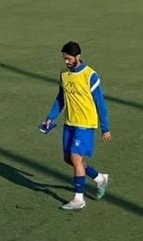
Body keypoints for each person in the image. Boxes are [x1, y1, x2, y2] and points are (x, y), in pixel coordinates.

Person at [39, 41, 111, 211]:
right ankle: (100, 178)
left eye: (69, 58)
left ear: (78, 56)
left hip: (86, 123)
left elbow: (100, 103)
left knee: (76, 157)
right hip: (69, 122)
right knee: (68, 159)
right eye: (64, 58)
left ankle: (79, 198)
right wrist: (50, 118)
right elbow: (60, 99)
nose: (66, 61)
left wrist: (105, 127)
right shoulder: (64, 74)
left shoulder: (90, 75)